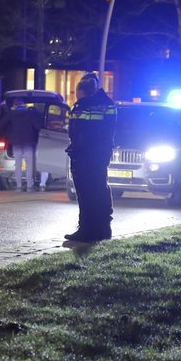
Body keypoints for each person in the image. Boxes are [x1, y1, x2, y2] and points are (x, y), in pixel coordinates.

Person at [65, 72, 116, 242]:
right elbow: (110, 129)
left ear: (82, 91)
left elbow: (77, 132)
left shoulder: (83, 106)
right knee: (100, 188)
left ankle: (87, 229)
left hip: (84, 155)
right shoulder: (107, 104)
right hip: (100, 153)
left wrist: (76, 151)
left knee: (86, 192)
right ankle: (102, 228)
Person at [0, 100, 41, 192]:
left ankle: (19, 186)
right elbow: (37, 126)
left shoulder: (12, 114)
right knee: (29, 165)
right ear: (23, 105)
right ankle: (29, 186)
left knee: (18, 164)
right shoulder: (30, 114)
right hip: (28, 142)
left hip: (16, 142)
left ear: (15, 105)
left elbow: (1, 124)